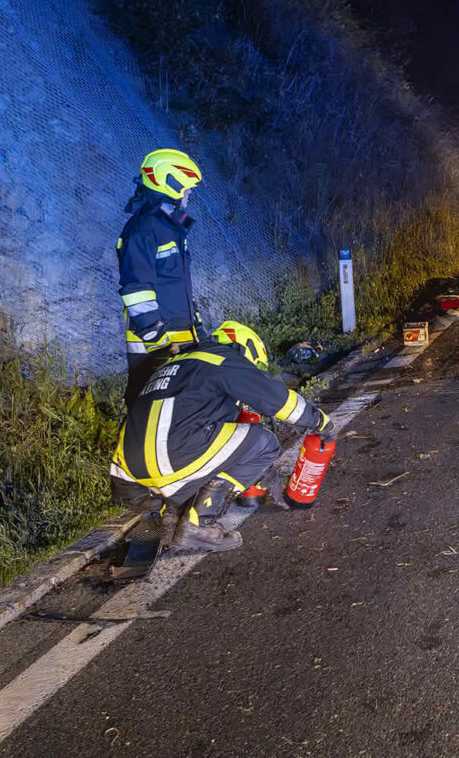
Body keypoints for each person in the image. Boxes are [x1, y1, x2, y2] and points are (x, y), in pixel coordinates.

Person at [109, 321, 335, 552]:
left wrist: (263, 473)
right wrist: (319, 421)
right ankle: (199, 525)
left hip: (130, 475)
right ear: (246, 353)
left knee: (206, 445)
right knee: (264, 443)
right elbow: (277, 400)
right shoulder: (224, 359)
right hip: (174, 455)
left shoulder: (175, 364)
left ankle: (174, 514)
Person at [117, 148, 206, 407]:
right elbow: (135, 289)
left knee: (180, 406)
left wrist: (196, 324)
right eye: (186, 188)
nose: (188, 194)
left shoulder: (171, 228)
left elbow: (177, 285)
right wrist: (157, 337)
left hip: (180, 332)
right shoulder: (144, 229)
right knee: (147, 404)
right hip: (155, 341)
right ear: (171, 183)